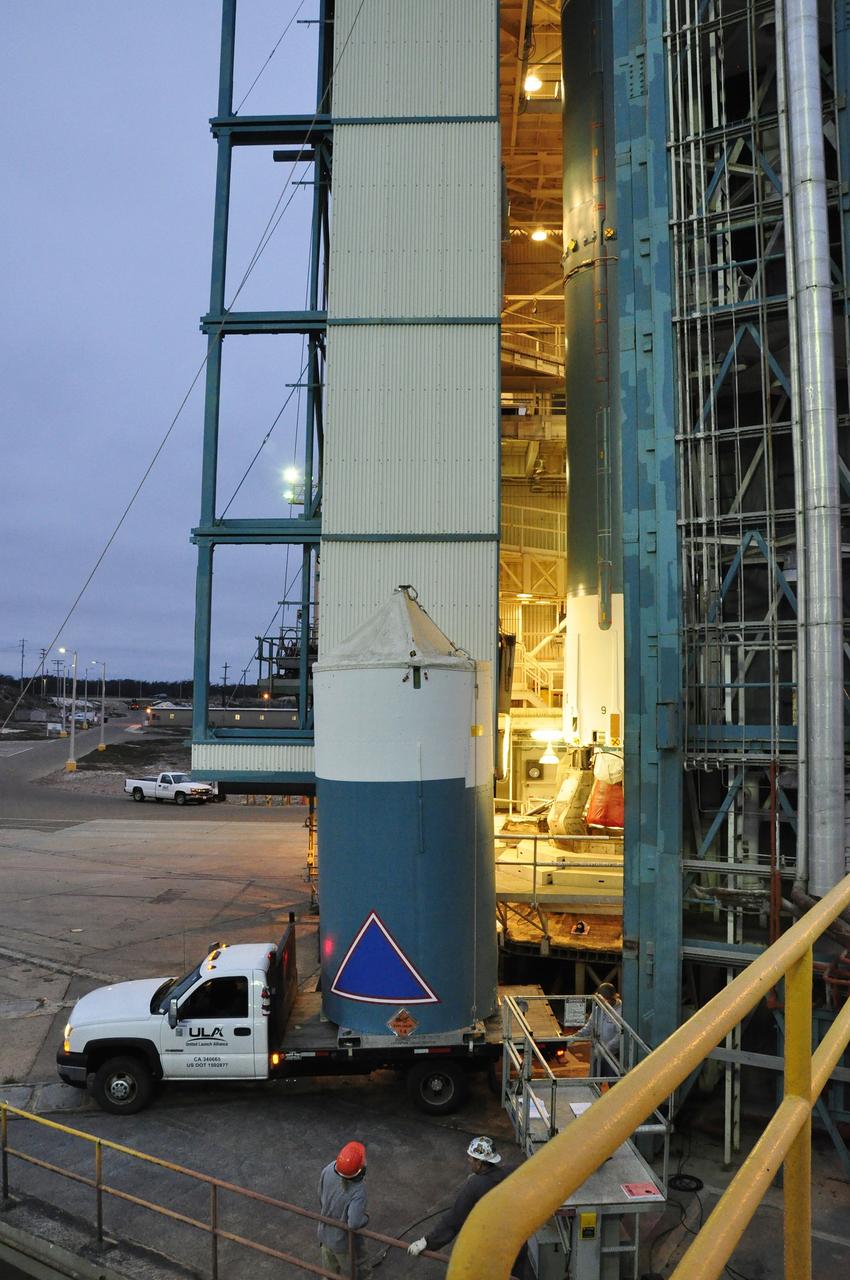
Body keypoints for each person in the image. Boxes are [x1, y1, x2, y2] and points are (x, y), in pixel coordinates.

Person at [407, 1137, 527, 1276]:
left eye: (471, 1158)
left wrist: (427, 1242)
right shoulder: (511, 1171)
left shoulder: (475, 1185)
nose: (468, 1160)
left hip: (494, 1250)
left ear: (479, 1163)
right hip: (518, 1244)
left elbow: (454, 1220)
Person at [317, 1140, 371, 1278]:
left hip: (324, 1233)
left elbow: (320, 1195)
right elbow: (354, 1223)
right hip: (343, 1243)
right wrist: (366, 1218)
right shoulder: (358, 1192)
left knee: (329, 1272)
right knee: (357, 1271)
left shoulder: (329, 1169)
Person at [565, 982, 623, 1078]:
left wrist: (607, 1048)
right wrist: (575, 1037)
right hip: (598, 1053)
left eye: (605, 1000)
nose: (603, 1003)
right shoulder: (598, 1009)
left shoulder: (621, 1011)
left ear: (613, 998)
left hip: (613, 1055)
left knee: (614, 1082)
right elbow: (589, 1027)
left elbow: (620, 1035)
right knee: (594, 1081)